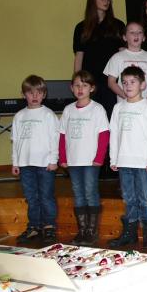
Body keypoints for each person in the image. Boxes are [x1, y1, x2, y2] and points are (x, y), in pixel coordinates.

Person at [107, 66, 147, 250]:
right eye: (125, 82)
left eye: (133, 82)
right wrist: (114, 158)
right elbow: (114, 134)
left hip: (143, 162)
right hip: (124, 161)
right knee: (129, 198)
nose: (128, 85)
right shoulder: (118, 107)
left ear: (143, 85)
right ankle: (129, 233)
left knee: (145, 198)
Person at [58, 71, 109, 246]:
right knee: (78, 195)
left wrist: (99, 158)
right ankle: (82, 230)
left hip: (90, 161)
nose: (80, 89)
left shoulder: (97, 109)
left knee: (90, 192)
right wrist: (63, 158)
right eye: (77, 85)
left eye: (84, 85)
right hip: (73, 160)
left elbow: (104, 135)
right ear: (72, 88)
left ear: (92, 88)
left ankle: (92, 231)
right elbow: (63, 136)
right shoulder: (68, 110)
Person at [12, 75, 59, 243]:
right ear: (23, 94)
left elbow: (55, 139)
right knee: (31, 197)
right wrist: (16, 162)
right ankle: (34, 227)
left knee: (46, 196)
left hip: (45, 163)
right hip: (25, 164)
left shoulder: (48, 115)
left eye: (38, 93)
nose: (34, 96)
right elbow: (16, 141)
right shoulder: (19, 116)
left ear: (44, 94)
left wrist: (54, 160)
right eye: (30, 93)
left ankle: (49, 227)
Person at [72, 0, 124, 116]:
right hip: (90, 80)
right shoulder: (81, 27)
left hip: (111, 81)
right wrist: (78, 82)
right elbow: (79, 55)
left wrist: (124, 80)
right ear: (92, 0)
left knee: (111, 116)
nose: (105, 1)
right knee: (89, 116)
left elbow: (123, 55)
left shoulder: (118, 25)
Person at [103, 21, 147, 104]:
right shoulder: (117, 57)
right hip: (125, 105)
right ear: (124, 37)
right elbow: (111, 82)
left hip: (146, 106)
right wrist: (127, 98)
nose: (136, 35)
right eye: (132, 32)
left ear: (144, 37)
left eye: (139, 32)